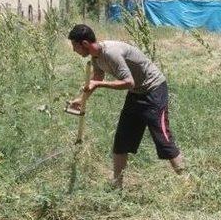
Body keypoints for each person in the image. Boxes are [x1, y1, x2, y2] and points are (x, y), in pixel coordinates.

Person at [67, 24, 185, 188]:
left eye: (75, 46)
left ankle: (187, 180)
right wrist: (82, 99)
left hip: (154, 89)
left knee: (163, 139)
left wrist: (99, 85)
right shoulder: (95, 57)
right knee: (121, 142)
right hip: (136, 93)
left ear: (85, 44)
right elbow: (98, 77)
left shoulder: (111, 53)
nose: (74, 50)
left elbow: (129, 82)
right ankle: (117, 187)